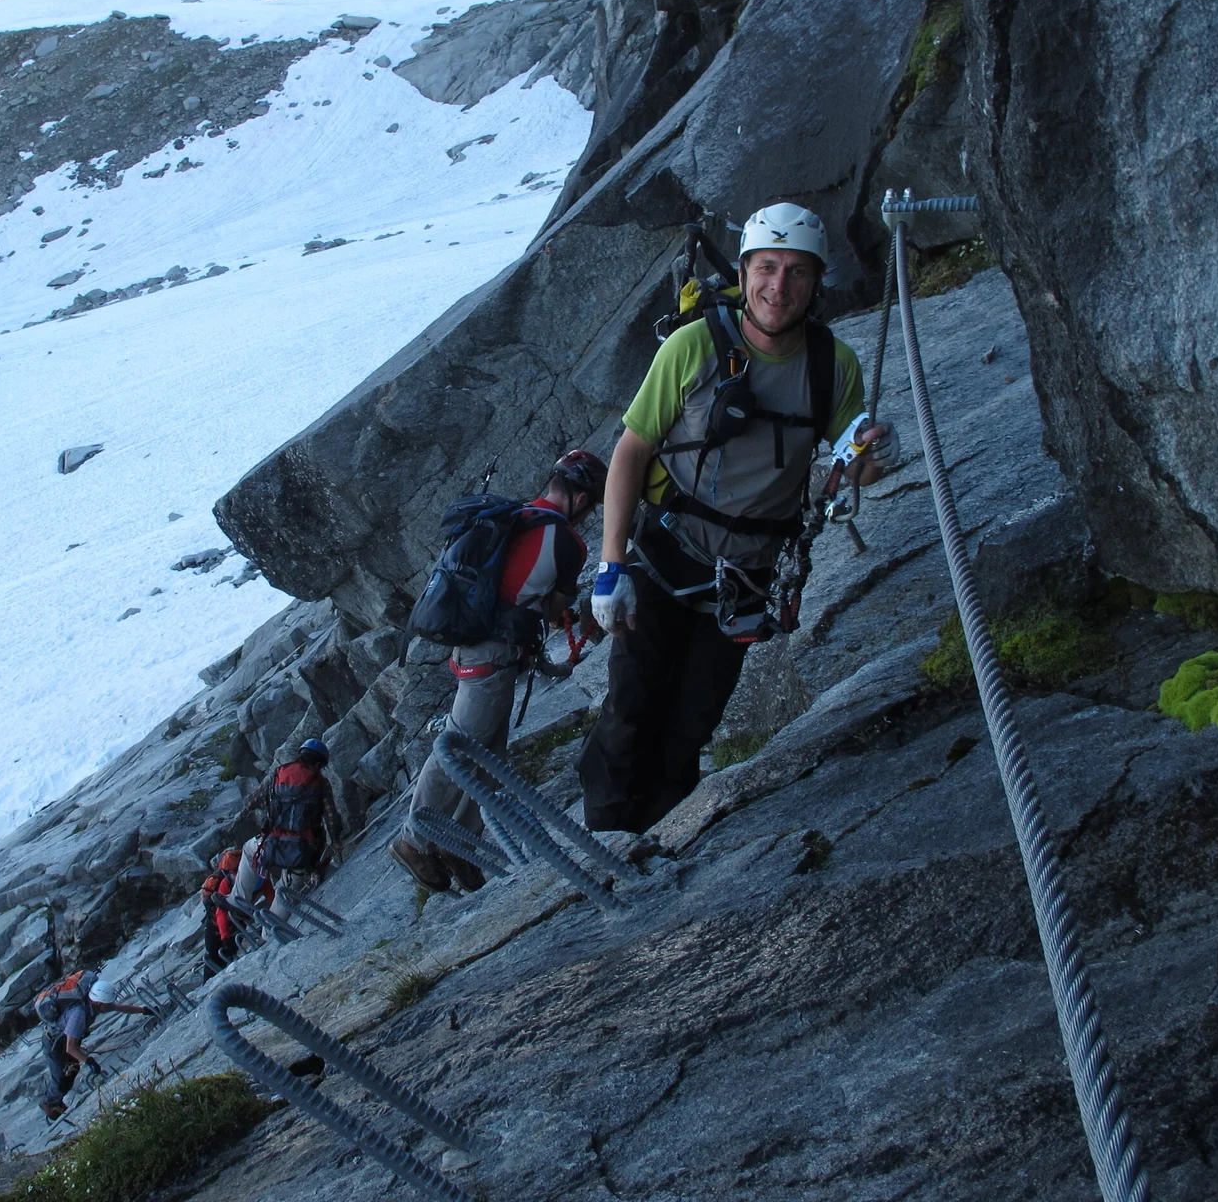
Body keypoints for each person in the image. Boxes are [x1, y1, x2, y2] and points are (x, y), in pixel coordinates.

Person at [578, 203, 895, 834]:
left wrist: (872, 457)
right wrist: (612, 565)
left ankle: (663, 839)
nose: (780, 287)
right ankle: (607, 840)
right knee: (630, 705)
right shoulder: (694, 347)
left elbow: (852, 466)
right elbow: (632, 451)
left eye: (798, 272)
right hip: (665, 558)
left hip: (746, 579)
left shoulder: (835, 367)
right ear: (746, 272)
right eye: (768, 268)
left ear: (816, 282)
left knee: (693, 720)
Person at [390, 449, 605, 894]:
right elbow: (554, 610)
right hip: (492, 655)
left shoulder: (523, 517)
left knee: (488, 755)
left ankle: (459, 841)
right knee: (458, 744)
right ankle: (413, 840)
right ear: (582, 498)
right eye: (594, 503)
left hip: (480, 648)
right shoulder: (568, 541)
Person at [35, 971, 155, 1120]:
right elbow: (70, 1048)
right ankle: (49, 1103)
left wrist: (144, 1010)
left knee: (72, 1069)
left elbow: (119, 1007)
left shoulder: (94, 1003)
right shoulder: (78, 1013)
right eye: (106, 1004)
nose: (109, 1005)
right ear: (98, 1002)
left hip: (65, 1038)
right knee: (61, 1075)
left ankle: (56, 1101)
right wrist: (89, 1061)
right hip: (54, 1044)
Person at [244, 737, 342, 883]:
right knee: (287, 896)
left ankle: (236, 899)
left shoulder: (278, 775)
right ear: (318, 764)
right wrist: (336, 842)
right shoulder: (321, 783)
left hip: (273, 846)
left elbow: (250, 803)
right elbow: (331, 817)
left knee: (248, 850)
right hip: (304, 853)